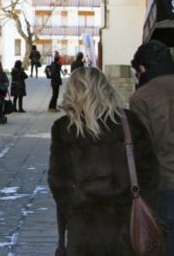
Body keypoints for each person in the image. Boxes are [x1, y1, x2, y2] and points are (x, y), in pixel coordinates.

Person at [48, 67, 159, 255]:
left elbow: (58, 181)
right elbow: (149, 172)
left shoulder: (64, 128)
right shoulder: (128, 121)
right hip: (127, 224)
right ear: (105, 88)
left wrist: (75, 210)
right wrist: (142, 203)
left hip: (85, 229)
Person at [130, 40, 174, 255]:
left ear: (142, 69)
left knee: (172, 241)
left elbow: (142, 148)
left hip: (168, 184)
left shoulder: (142, 97)